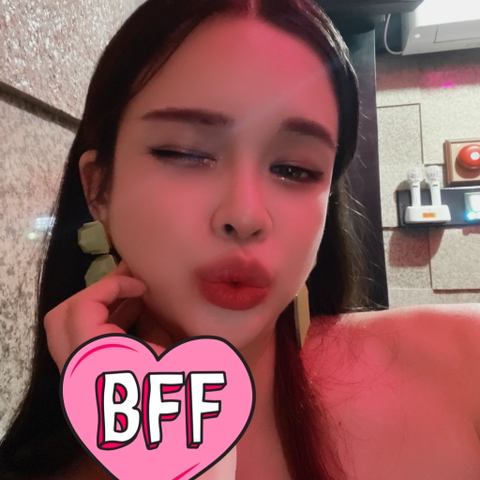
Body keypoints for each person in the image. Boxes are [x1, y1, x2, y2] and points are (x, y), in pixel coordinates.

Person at [1, 0, 479, 479]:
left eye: (295, 169)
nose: (245, 215)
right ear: (98, 188)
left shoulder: (463, 365)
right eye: (184, 153)